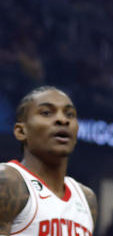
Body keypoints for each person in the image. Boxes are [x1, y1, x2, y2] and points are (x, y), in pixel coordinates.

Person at [0, 86, 98, 236]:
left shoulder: (86, 198)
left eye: (70, 114)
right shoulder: (8, 181)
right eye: (46, 112)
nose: (62, 120)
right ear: (21, 131)